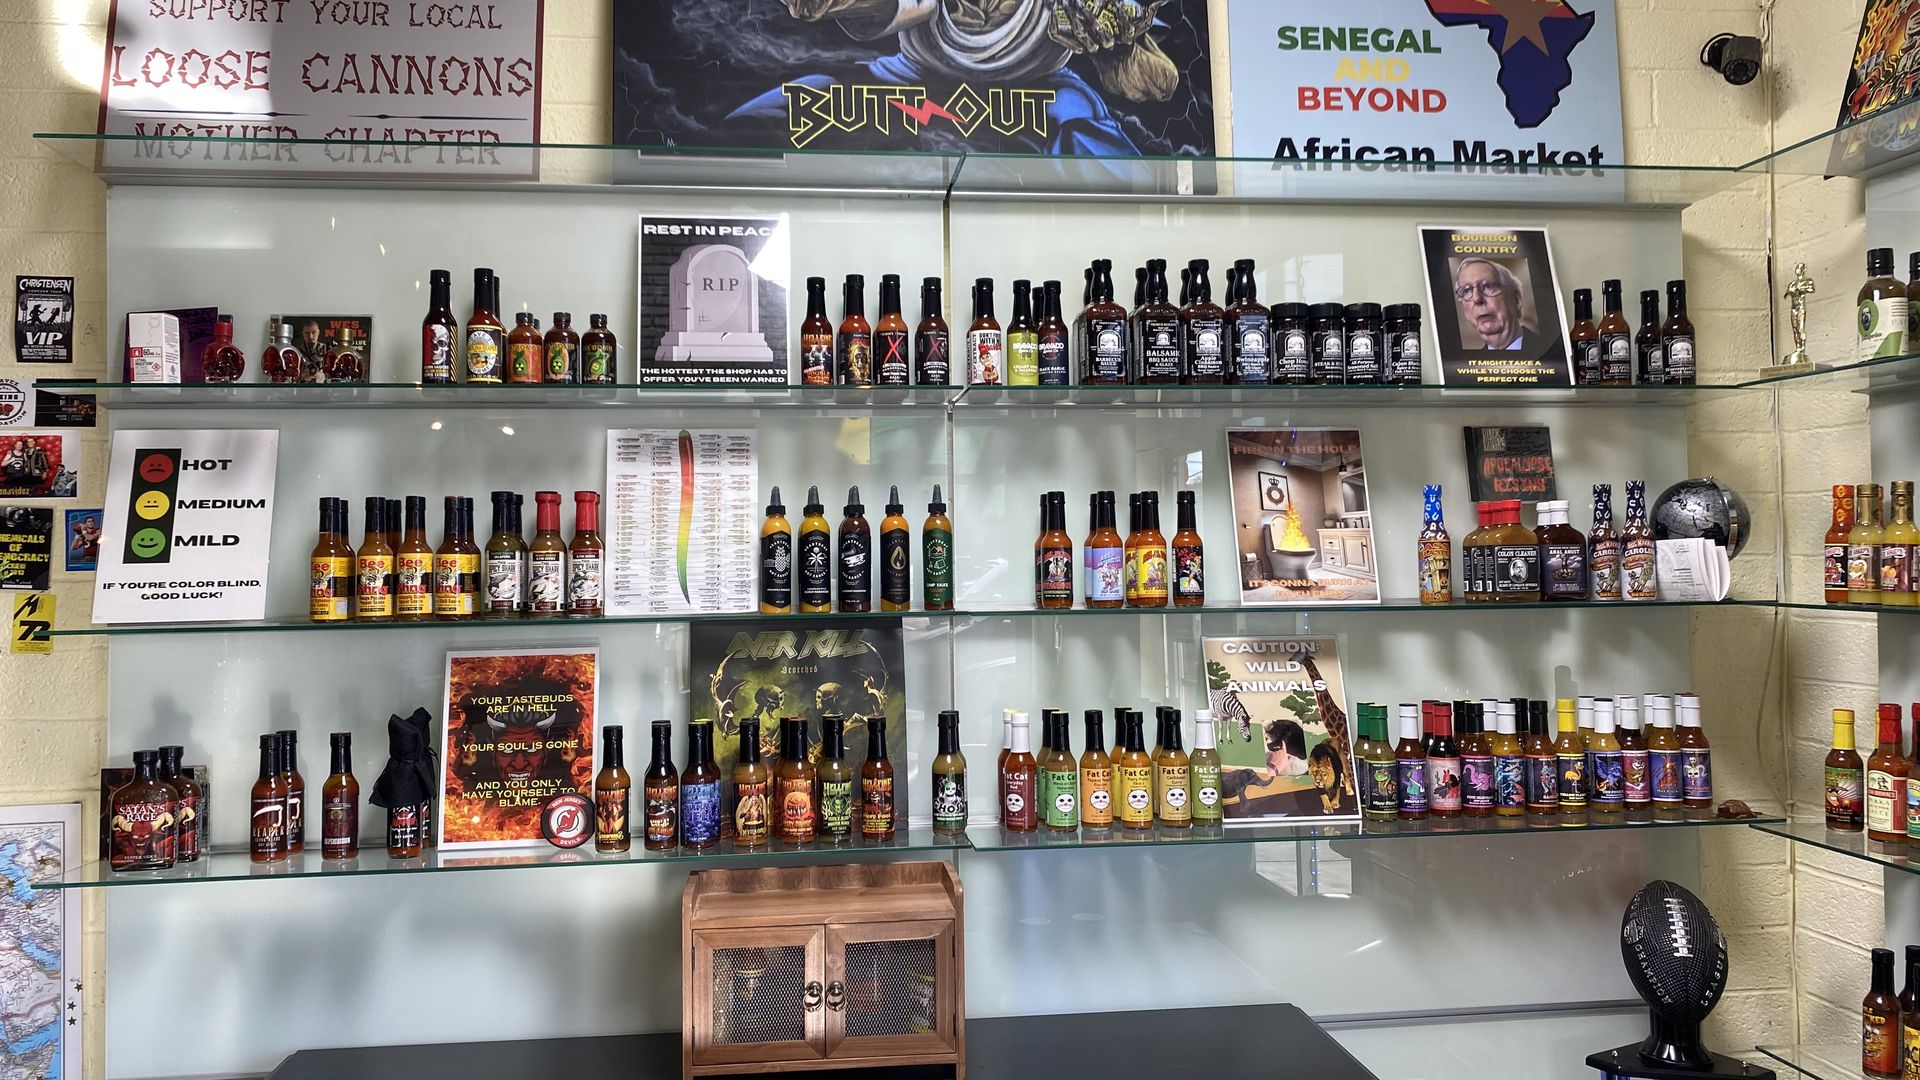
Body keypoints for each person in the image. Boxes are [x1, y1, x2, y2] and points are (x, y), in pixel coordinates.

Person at [1452, 258, 1542, 352]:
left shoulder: (1551, 353)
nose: (1477, 298)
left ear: (1516, 300)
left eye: (1488, 286)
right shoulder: (1465, 364)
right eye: (1466, 291)